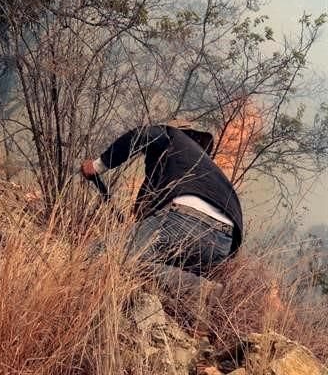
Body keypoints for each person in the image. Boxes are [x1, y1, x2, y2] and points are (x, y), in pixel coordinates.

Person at [81, 120, 243, 293]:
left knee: (98, 253)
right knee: (143, 267)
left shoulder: (172, 135)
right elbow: (143, 210)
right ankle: (201, 289)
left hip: (185, 220)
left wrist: (98, 166)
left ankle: (201, 289)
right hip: (223, 244)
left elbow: (140, 135)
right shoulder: (204, 168)